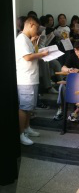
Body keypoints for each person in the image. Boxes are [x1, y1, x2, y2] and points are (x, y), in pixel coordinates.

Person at [16, 15, 47, 144]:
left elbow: (32, 54)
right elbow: (27, 57)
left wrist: (36, 45)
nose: (37, 31)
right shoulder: (21, 39)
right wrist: (42, 54)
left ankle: (27, 128)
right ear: (31, 25)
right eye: (37, 28)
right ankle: (20, 134)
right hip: (25, 79)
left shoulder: (27, 39)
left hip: (31, 77)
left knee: (29, 107)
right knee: (24, 108)